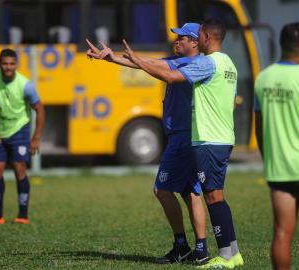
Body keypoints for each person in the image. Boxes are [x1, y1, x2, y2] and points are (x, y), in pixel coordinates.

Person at [111, 19, 244, 268]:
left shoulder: (206, 62)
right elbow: (159, 66)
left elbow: (170, 76)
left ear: (202, 38)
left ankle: (223, 254)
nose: (177, 39)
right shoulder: (227, 63)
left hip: (206, 138)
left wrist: (136, 60)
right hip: (219, 137)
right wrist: (116, 58)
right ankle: (226, 251)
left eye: (184, 36)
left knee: (208, 196)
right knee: (204, 194)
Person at [86, 23, 209, 264]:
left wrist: (131, 60)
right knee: (189, 192)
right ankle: (200, 249)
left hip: (183, 137)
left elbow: (158, 69)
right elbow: (146, 63)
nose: (177, 40)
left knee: (162, 190)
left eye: (182, 37)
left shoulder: (192, 64)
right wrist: (111, 58)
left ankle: (184, 246)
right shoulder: (178, 60)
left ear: (195, 42)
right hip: (182, 136)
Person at [254, 22, 299, 270]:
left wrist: (267, 157)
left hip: (278, 168)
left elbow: (258, 127)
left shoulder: (263, 78)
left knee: (282, 231)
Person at [0, 48, 45, 225]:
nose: (8, 67)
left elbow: (40, 110)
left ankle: (22, 216)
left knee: (19, 168)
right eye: (4, 64)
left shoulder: (26, 85)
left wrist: (36, 137)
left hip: (19, 130)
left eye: (11, 64)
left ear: (16, 64)